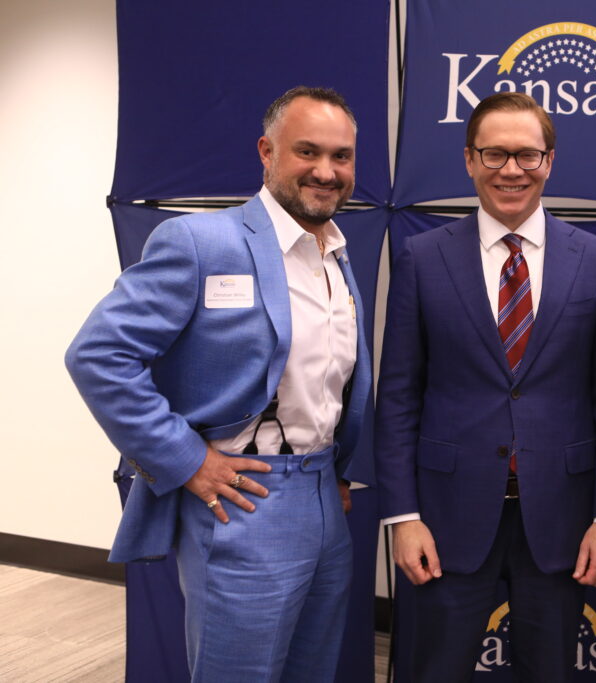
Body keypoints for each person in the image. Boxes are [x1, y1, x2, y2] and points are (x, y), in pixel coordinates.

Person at [65, 86, 371, 682]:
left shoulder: (335, 253)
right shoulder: (202, 243)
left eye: (341, 156)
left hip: (325, 501)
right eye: (307, 151)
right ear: (267, 151)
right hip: (244, 500)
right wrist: (186, 459)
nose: (326, 171)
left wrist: (331, 473)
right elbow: (98, 354)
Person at [375, 92, 596, 683]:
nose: (511, 170)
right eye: (494, 154)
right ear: (469, 159)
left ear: (550, 162)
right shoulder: (422, 257)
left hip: (562, 520)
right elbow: (399, 397)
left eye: (526, 155)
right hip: (445, 517)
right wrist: (403, 516)